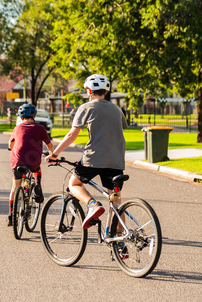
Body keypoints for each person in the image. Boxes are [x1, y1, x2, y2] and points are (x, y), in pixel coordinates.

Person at [46, 74, 128, 231]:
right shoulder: (116, 109)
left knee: (74, 184)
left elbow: (72, 135)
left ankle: (93, 205)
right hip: (116, 161)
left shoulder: (86, 107)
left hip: (93, 159)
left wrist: (54, 154)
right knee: (116, 201)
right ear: (105, 91)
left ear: (89, 91)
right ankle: (121, 241)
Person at [8, 103, 54, 226]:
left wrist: (10, 148)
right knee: (36, 169)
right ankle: (37, 184)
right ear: (34, 116)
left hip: (17, 162)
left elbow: (10, 143)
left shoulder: (17, 128)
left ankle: (11, 215)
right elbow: (49, 145)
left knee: (15, 187)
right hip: (33, 161)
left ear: (21, 117)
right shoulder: (40, 128)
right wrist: (52, 155)